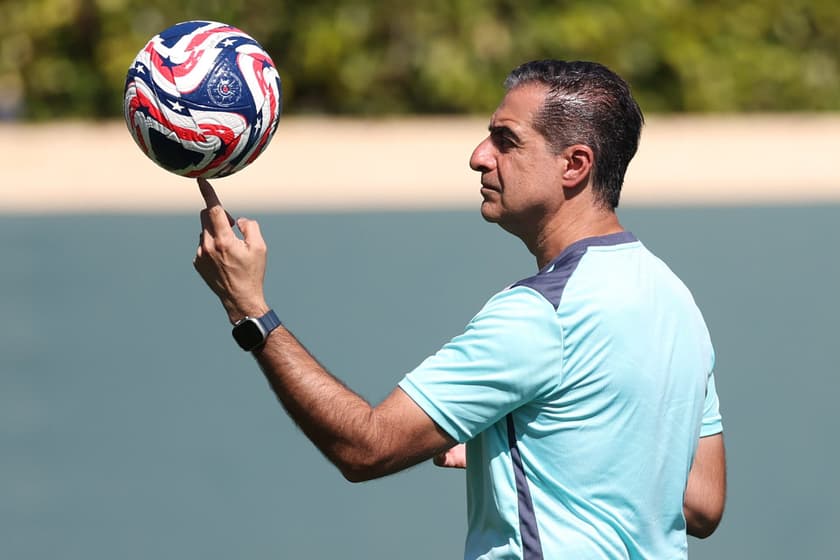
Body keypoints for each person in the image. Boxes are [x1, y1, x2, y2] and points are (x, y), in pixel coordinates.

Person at [193, 59, 726, 559]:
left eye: (506, 140)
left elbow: (366, 447)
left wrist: (250, 310)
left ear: (575, 165)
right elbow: (702, 502)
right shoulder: (676, 301)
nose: (479, 155)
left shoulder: (540, 313)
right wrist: (545, 457)